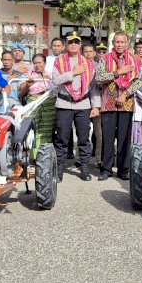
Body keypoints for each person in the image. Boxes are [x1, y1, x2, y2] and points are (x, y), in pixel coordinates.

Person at [96, 31, 142, 180]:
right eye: (117, 42)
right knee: (108, 137)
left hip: (127, 103)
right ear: (113, 43)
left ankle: (123, 170)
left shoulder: (134, 60)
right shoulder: (105, 59)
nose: (120, 45)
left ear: (126, 43)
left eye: (122, 42)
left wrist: (125, 94)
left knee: (124, 138)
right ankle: (106, 169)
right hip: (108, 103)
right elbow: (98, 78)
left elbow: (139, 80)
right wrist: (117, 72)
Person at [52, 31, 99, 181]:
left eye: (76, 42)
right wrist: (72, 73)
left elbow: (93, 87)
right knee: (62, 139)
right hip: (64, 104)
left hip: (83, 105)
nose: (73, 44)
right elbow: (55, 80)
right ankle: (59, 170)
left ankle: (84, 168)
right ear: (66, 44)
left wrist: (95, 106)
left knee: (84, 138)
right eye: (70, 42)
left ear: (80, 45)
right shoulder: (58, 61)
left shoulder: (88, 63)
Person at [22, 53, 56, 158]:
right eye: (35, 63)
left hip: (48, 103)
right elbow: (22, 92)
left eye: (40, 62)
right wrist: (28, 85)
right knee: (33, 128)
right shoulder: (29, 76)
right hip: (33, 101)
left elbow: (56, 91)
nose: (37, 65)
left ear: (44, 63)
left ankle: (46, 156)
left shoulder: (51, 75)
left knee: (46, 130)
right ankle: (33, 156)